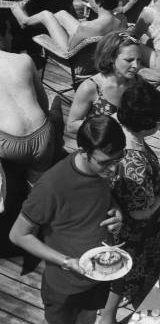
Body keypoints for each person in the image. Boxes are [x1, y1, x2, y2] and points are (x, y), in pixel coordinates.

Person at [9, 115, 126, 324]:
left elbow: (98, 197)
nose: (114, 169)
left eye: (119, 158)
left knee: (88, 318)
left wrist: (116, 210)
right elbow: (18, 235)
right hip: (65, 286)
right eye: (106, 162)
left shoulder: (103, 171)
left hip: (97, 277)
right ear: (83, 152)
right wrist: (66, 261)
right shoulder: (51, 187)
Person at [100, 81, 160, 323]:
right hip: (134, 232)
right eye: (158, 121)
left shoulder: (115, 125)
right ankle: (134, 297)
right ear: (146, 124)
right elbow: (141, 213)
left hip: (117, 215)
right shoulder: (134, 164)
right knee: (132, 271)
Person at [0, 22, 55, 205]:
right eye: (10, 33)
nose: (12, 38)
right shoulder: (23, 60)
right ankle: (36, 208)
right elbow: (43, 100)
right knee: (37, 191)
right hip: (43, 136)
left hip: (9, 144)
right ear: (2, 36)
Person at [11, 0, 126, 51]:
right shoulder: (121, 21)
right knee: (61, 14)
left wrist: (66, 31)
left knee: (46, 15)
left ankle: (24, 20)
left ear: (96, 1)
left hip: (73, 58)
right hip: (93, 52)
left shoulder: (86, 26)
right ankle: (41, 22)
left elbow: (70, 48)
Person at [66, 31, 141, 134]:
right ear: (111, 58)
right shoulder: (91, 87)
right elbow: (71, 126)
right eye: (129, 60)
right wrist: (106, 125)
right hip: (102, 146)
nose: (136, 66)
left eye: (139, 60)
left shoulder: (137, 82)